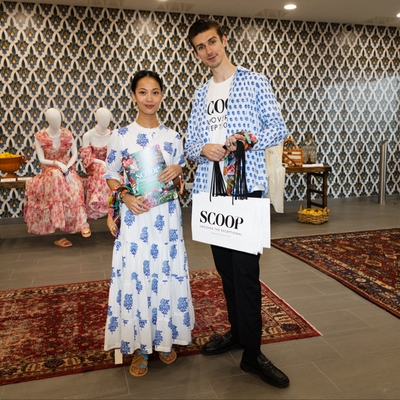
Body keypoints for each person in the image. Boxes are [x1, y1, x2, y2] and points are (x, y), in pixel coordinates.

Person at [185, 19, 290, 388]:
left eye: (212, 41)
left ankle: (253, 353)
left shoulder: (255, 81)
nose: (208, 50)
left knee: (245, 273)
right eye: (200, 46)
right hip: (211, 192)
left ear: (224, 40)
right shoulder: (200, 94)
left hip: (245, 190)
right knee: (226, 271)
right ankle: (238, 333)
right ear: (196, 53)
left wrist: (245, 137)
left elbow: (278, 128)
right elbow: (190, 143)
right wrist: (203, 148)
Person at [103, 70, 194, 377]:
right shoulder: (121, 136)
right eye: (143, 92)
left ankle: (165, 339)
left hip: (166, 220)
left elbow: (178, 183)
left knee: (165, 273)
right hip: (136, 217)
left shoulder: (173, 137)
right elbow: (110, 174)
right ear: (133, 96)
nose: (149, 98)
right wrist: (125, 196)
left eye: (155, 92)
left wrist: (178, 173)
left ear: (162, 96)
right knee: (137, 277)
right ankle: (140, 347)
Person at [24, 108, 91, 246]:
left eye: (58, 119)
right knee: (56, 176)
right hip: (50, 168)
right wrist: (58, 164)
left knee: (76, 184)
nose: (57, 122)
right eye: (53, 119)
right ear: (47, 120)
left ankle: (82, 223)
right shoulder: (40, 136)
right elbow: (41, 159)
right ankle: (58, 220)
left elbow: (75, 154)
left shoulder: (67, 134)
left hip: (67, 167)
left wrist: (68, 167)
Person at [80, 107, 112, 220]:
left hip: (108, 164)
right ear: (97, 118)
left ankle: (109, 205)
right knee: (102, 169)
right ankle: (100, 203)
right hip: (93, 165)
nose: (106, 121)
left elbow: (115, 154)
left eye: (108, 118)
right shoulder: (88, 135)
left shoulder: (112, 134)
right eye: (103, 118)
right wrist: (102, 162)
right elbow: (86, 157)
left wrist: (108, 163)